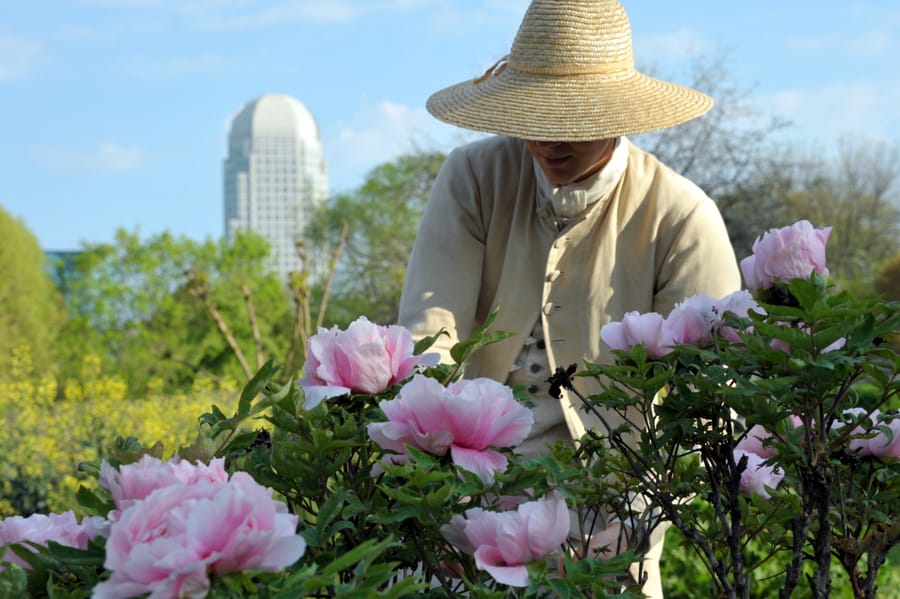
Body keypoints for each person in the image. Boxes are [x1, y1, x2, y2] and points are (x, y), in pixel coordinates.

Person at [397, 0, 742, 596]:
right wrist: (425, 494)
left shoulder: (681, 216)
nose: (546, 141)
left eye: (570, 123)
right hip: (466, 490)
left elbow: (713, 397)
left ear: (615, 114)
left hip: (609, 510)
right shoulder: (475, 178)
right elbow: (432, 330)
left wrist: (640, 519)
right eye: (533, 118)